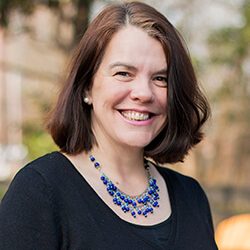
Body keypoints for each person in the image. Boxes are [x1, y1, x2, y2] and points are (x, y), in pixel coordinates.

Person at [0, 1, 218, 249]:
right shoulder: (40, 192)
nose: (143, 93)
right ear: (86, 88)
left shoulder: (192, 197)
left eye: (160, 78)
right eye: (123, 73)